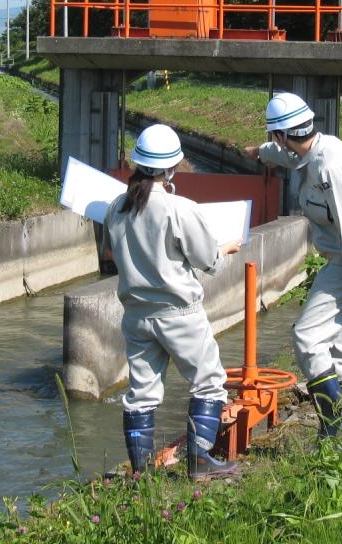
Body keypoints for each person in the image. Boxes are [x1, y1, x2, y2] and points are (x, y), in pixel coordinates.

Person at [102, 123, 241, 478]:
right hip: (179, 313)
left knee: (141, 393)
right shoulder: (179, 207)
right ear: (172, 167)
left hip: (135, 315)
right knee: (209, 382)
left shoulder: (116, 206)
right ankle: (200, 461)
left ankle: (140, 472)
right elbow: (207, 261)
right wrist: (224, 247)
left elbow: (109, 253)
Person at [246, 93, 342, 440]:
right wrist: (261, 154)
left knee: (307, 338)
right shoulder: (319, 147)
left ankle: (335, 426)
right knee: (340, 340)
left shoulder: (331, 168)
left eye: (273, 139)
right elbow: (292, 156)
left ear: (281, 135)